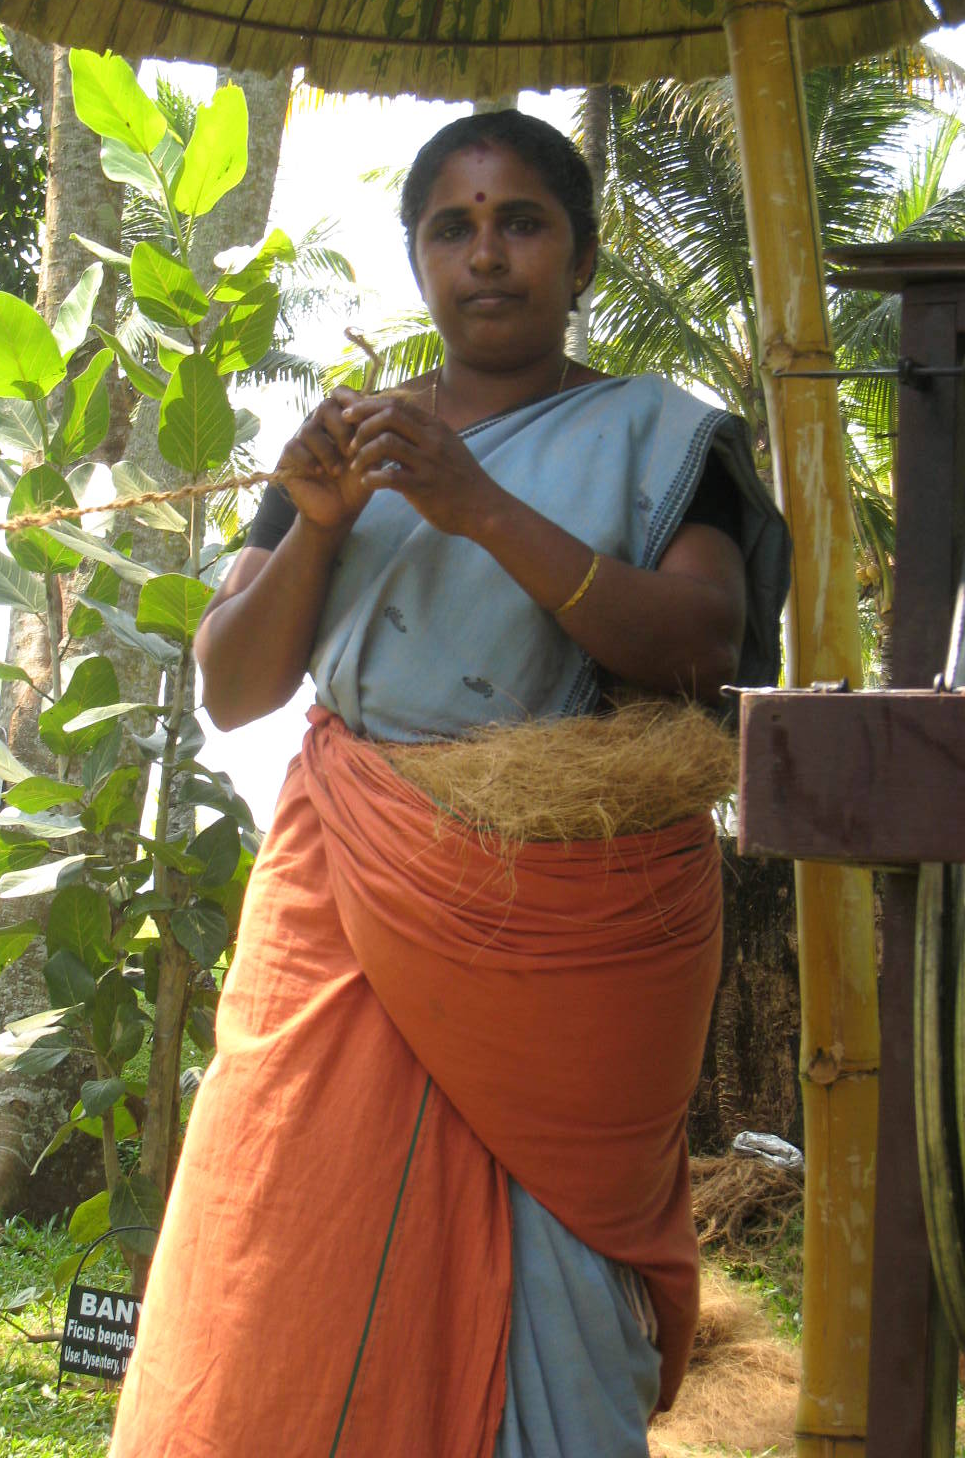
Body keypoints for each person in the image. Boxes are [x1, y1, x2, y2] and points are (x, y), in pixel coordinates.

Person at [110, 111, 790, 1458]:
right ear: (418, 259)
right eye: (453, 227)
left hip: (570, 928)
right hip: (347, 896)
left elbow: (701, 650)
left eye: (522, 221)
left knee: (556, 1274)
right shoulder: (349, 443)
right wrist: (316, 523)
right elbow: (234, 685)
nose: (488, 254)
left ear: (583, 258)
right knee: (291, 1243)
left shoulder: (666, 439)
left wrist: (479, 507)